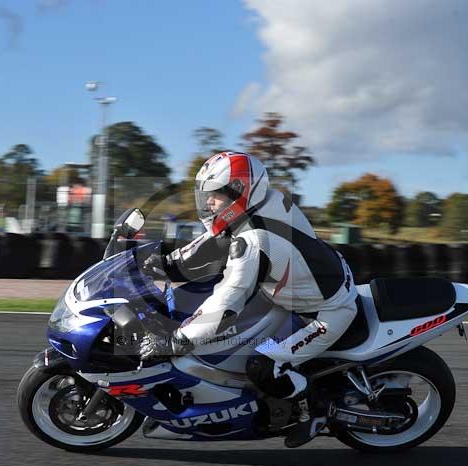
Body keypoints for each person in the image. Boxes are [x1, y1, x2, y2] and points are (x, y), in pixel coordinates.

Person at [139, 151, 357, 448]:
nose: (208, 203)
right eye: (206, 195)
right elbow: (215, 241)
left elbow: (226, 304)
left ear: (240, 192)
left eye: (215, 196)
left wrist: (178, 340)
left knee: (262, 364)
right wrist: (166, 262)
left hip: (325, 312)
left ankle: (316, 409)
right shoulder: (267, 201)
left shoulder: (254, 241)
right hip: (303, 287)